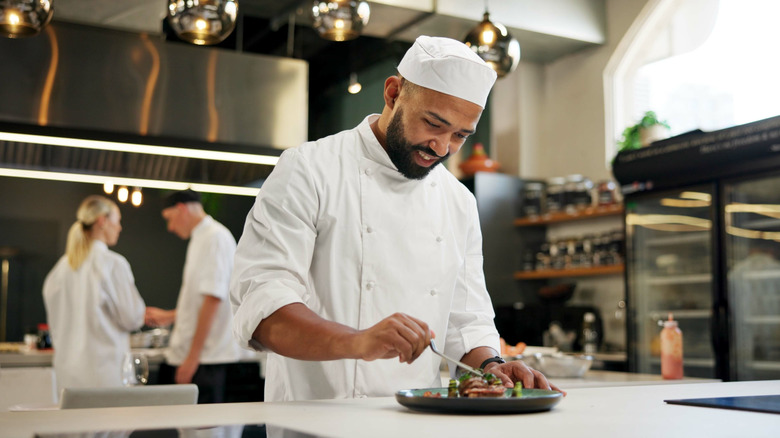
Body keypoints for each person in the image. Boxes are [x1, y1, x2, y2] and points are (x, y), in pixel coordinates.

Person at [230, 35, 561, 401]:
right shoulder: (309, 169)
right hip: (317, 418)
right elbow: (262, 304)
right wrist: (358, 342)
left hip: (417, 419)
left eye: (460, 136)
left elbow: (466, 321)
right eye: (434, 124)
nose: (443, 148)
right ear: (392, 94)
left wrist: (490, 366)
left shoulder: (458, 201)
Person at [145, 189, 243, 403]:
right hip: (201, 358)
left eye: (169, 219)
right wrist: (170, 316)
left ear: (181, 209)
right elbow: (202, 302)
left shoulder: (214, 238)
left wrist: (192, 358)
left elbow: (213, 300)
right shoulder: (201, 238)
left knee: (206, 433)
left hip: (207, 359)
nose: (170, 227)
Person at [43, 195, 146, 391]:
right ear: (102, 221)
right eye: (117, 221)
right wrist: (142, 313)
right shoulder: (113, 264)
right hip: (107, 378)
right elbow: (133, 318)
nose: (120, 227)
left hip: (68, 379)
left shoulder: (58, 271)